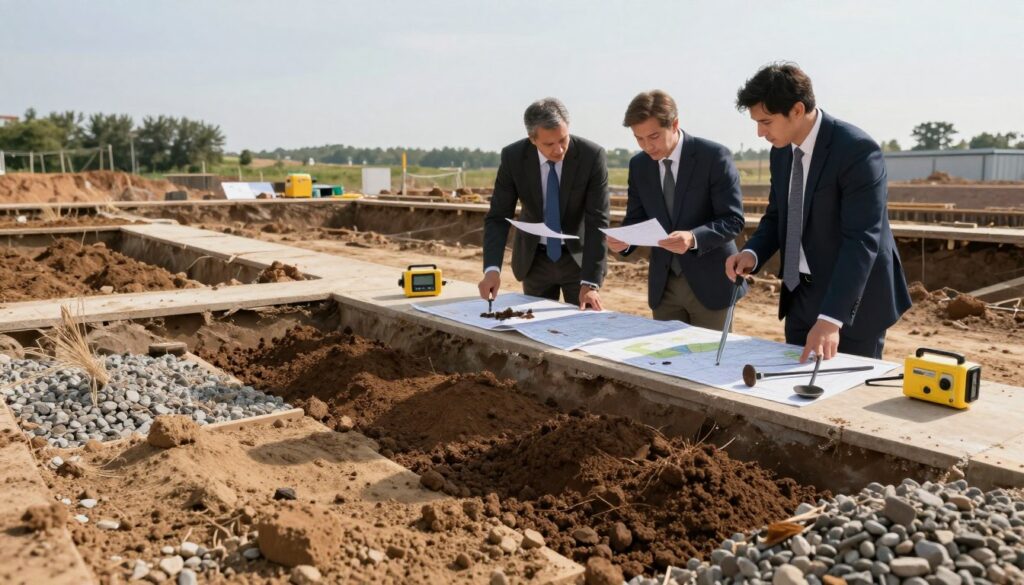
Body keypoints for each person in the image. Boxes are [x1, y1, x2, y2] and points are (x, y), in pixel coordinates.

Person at [725, 62, 912, 361]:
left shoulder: (857, 151)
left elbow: (862, 240)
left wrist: (831, 318)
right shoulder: (781, 151)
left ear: (797, 110)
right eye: (756, 122)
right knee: (793, 393)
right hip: (799, 296)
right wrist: (753, 253)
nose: (760, 132)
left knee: (844, 398)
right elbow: (777, 216)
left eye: (766, 121)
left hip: (853, 303)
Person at [607, 90, 747, 329]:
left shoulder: (713, 157)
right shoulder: (639, 165)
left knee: (710, 361)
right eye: (639, 139)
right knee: (665, 362)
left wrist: (693, 238)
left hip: (711, 285)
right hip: (664, 288)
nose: (647, 146)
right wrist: (625, 241)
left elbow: (733, 220)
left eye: (654, 136)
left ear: (675, 124)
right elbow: (636, 218)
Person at [479, 98, 609, 309]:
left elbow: (598, 220)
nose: (559, 150)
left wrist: (590, 282)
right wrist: (492, 270)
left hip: (578, 261)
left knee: (580, 329)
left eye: (563, 140)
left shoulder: (591, 156)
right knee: (537, 329)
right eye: (549, 144)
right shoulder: (513, 158)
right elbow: (497, 217)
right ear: (532, 139)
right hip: (534, 262)